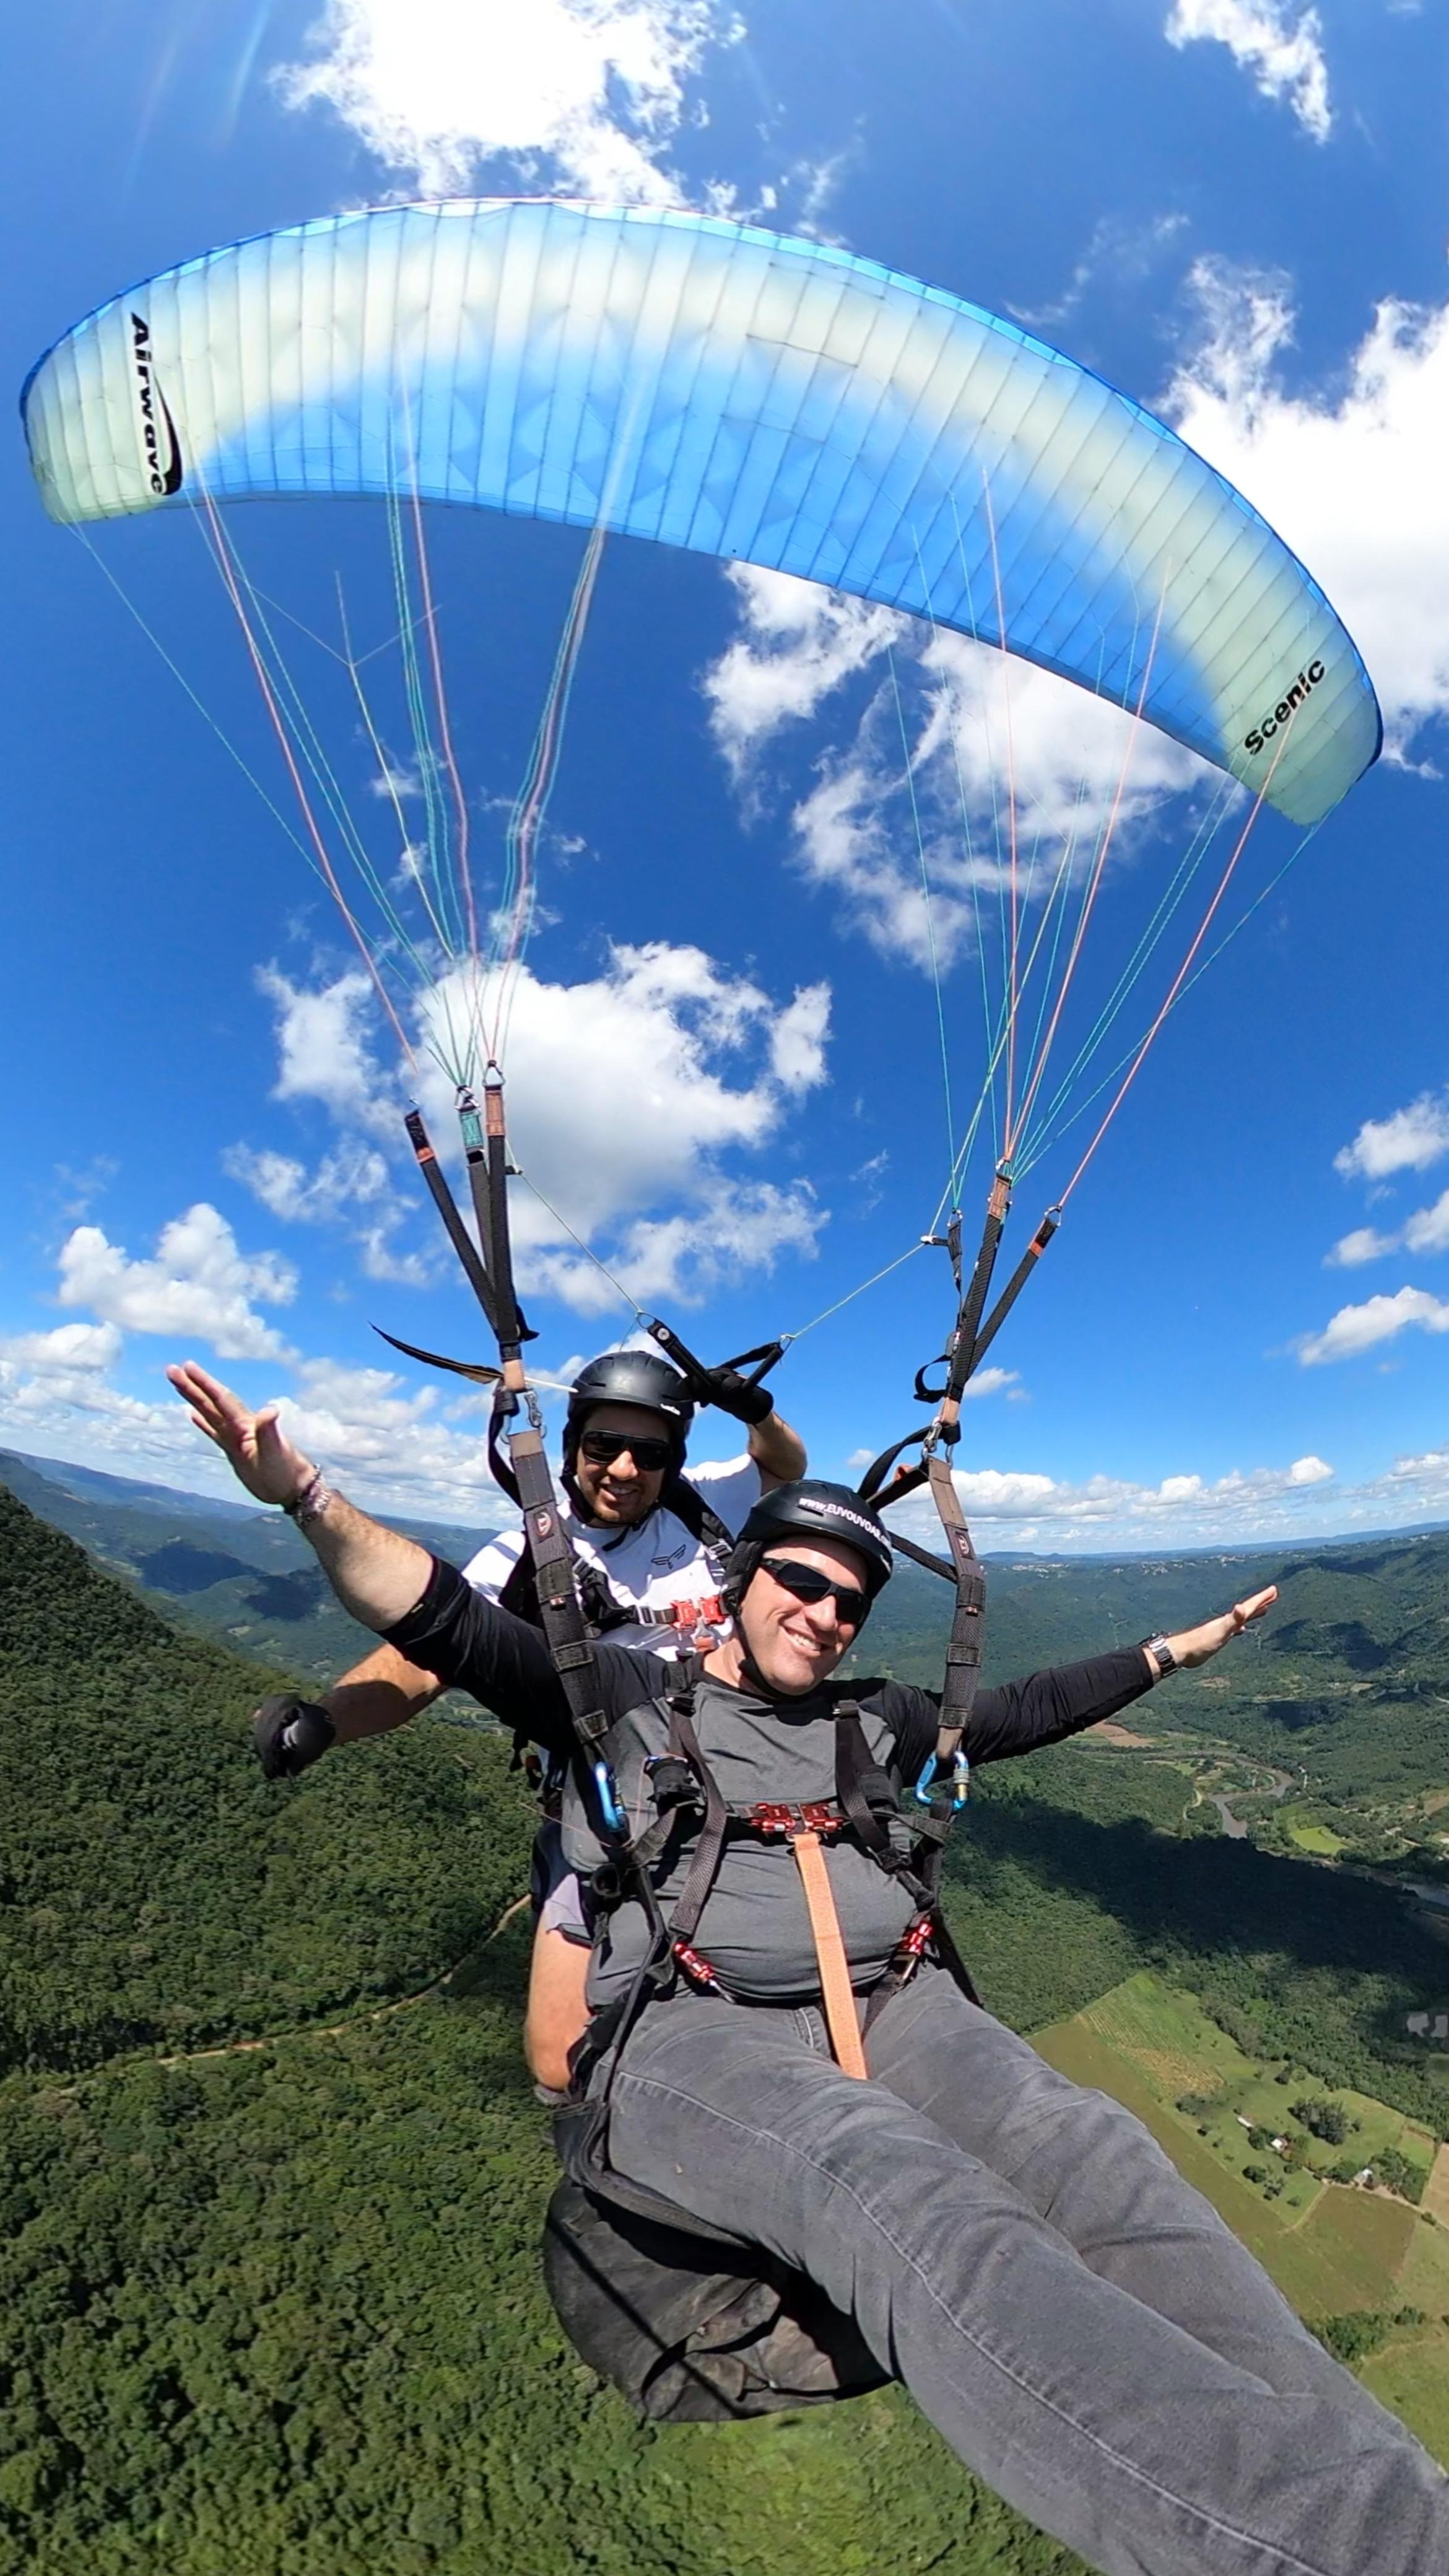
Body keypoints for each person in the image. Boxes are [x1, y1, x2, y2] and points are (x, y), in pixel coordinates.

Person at [168, 1358, 1449, 2576]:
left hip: (898, 2001)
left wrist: (1172, 1652)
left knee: (1101, 2152)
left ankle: (1406, 2516)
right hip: (690, 2028)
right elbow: (438, 1617)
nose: (827, 1612)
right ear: (740, 1580)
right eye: (801, 1581)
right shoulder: (623, 1694)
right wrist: (305, 1495)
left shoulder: (872, 1717)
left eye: (851, 1598)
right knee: (897, 2184)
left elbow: (1024, 1710)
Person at [269, 1347, 806, 2094]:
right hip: (613, 1796)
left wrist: (754, 1409)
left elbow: (783, 1463)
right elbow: (426, 1658)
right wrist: (329, 1719)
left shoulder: (701, 1502)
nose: (623, 1468)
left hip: (746, 1757)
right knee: (558, 2055)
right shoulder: (530, 1556)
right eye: (602, 1446)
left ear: (673, 1459)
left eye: (649, 1452)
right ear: (572, 1447)